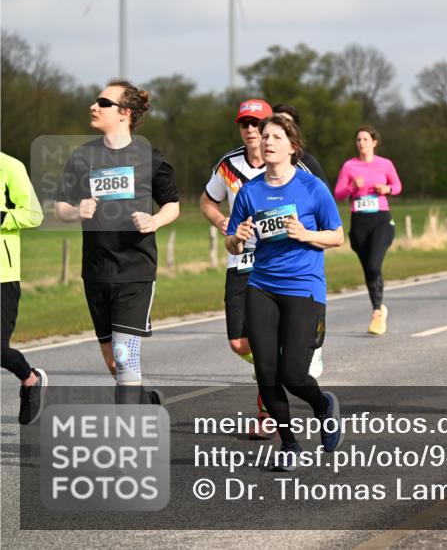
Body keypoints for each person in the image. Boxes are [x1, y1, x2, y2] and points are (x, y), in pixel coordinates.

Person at [201, 99, 326, 436]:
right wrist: (225, 225)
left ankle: (269, 405)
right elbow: (207, 200)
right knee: (240, 344)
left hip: (286, 267)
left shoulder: (297, 169)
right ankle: (276, 362)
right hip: (241, 262)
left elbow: (324, 219)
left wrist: (305, 235)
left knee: (271, 354)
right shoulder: (229, 167)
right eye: (244, 124)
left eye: (257, 124)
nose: (251, 131)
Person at [225, 116, 345, 469]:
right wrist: (239, 236)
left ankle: (323, 405)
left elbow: (337, 236)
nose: (267, 141)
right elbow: (231, 244)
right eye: (264, 137)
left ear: (292, 146)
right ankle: (290, 444)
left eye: (276, 136)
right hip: (261, 285)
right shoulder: (250, 191)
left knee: (293, 375)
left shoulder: (312, 189)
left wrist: (306, 235)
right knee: (266, 373)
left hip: (304, 287)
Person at [54, 80, 180, 404]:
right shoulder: (83, 157)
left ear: (124, 113)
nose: (93, 106)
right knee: (114, 361)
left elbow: (172, 205)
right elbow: (60, 206)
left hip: (135, 271)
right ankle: (145, 402)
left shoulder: (150, 158)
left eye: (103, 102)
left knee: (125, 358)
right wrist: (75, 210)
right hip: (96, 271)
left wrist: (154, 220)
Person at [333, 126, 402, 335]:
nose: (361, 143)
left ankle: (376, 313)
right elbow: (338, 194)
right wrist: (353, 186)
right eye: (358, 140)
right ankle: (379, 309)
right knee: (369, 270)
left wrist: (387, 189)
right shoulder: (349, 166)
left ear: (374, 142)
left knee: (373, 264)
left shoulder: (385, 164)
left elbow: (398, 186)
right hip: (359, 223)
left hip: (381, 220)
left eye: (365, 139)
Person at [1, 153, 47, 424]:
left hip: (2, 275)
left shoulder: (9, 166)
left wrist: (1, 217)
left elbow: (33, 214)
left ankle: (30, 379)